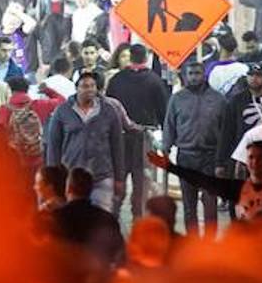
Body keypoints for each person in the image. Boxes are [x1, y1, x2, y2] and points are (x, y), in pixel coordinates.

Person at [45, 70, 126, 214]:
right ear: (76, 88)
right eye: (84, 86)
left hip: (102, 175)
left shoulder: (109, 111)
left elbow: (117, 146)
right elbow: (54, 147)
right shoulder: (62, 112)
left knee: (101, 220)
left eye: (92, 86)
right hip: (72, 176)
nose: (89, 89)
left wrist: (119, 178)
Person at [162, 57, 226, 236]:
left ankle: (209, 243)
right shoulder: (177, 99)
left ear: (204, 75)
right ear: (185, 76)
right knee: (189, 204)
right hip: (186, 156)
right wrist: (165, 149)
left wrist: (223, 159)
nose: (194, 77)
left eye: (198, 73)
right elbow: (170, 126)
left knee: (210, 202)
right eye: (190, 74)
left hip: (210, 156)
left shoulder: (218, 99)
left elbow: (224, 130)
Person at [106, 43, 170, 219]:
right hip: (145, 139)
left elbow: (108, 108)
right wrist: (167, 141)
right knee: (142, 183)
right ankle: (138, 222)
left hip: (119, 138)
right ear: (146, 57)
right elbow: (164, 113)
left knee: (118, 180)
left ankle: (112, 218)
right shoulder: (155, 81)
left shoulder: (116, 79)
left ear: (130, 56)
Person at [148, 141, 262, 221]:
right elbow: (203, 181)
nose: (255, 162)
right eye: (251, 157)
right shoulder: (237, 189)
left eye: (260, 158)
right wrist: (171, 167)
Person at [216, 61, 262, 177]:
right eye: (251, 75)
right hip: (242, 158)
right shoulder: (235, 102)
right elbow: (226, 132)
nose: (254, 79)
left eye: (258, 75)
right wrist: (220, 162)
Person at [49, 167, 125, 265]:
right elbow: (119, 255)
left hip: (63, 277)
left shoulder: (55, 218)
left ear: (68, 189)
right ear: (90, 190)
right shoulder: (108, 219)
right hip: (99, 277)